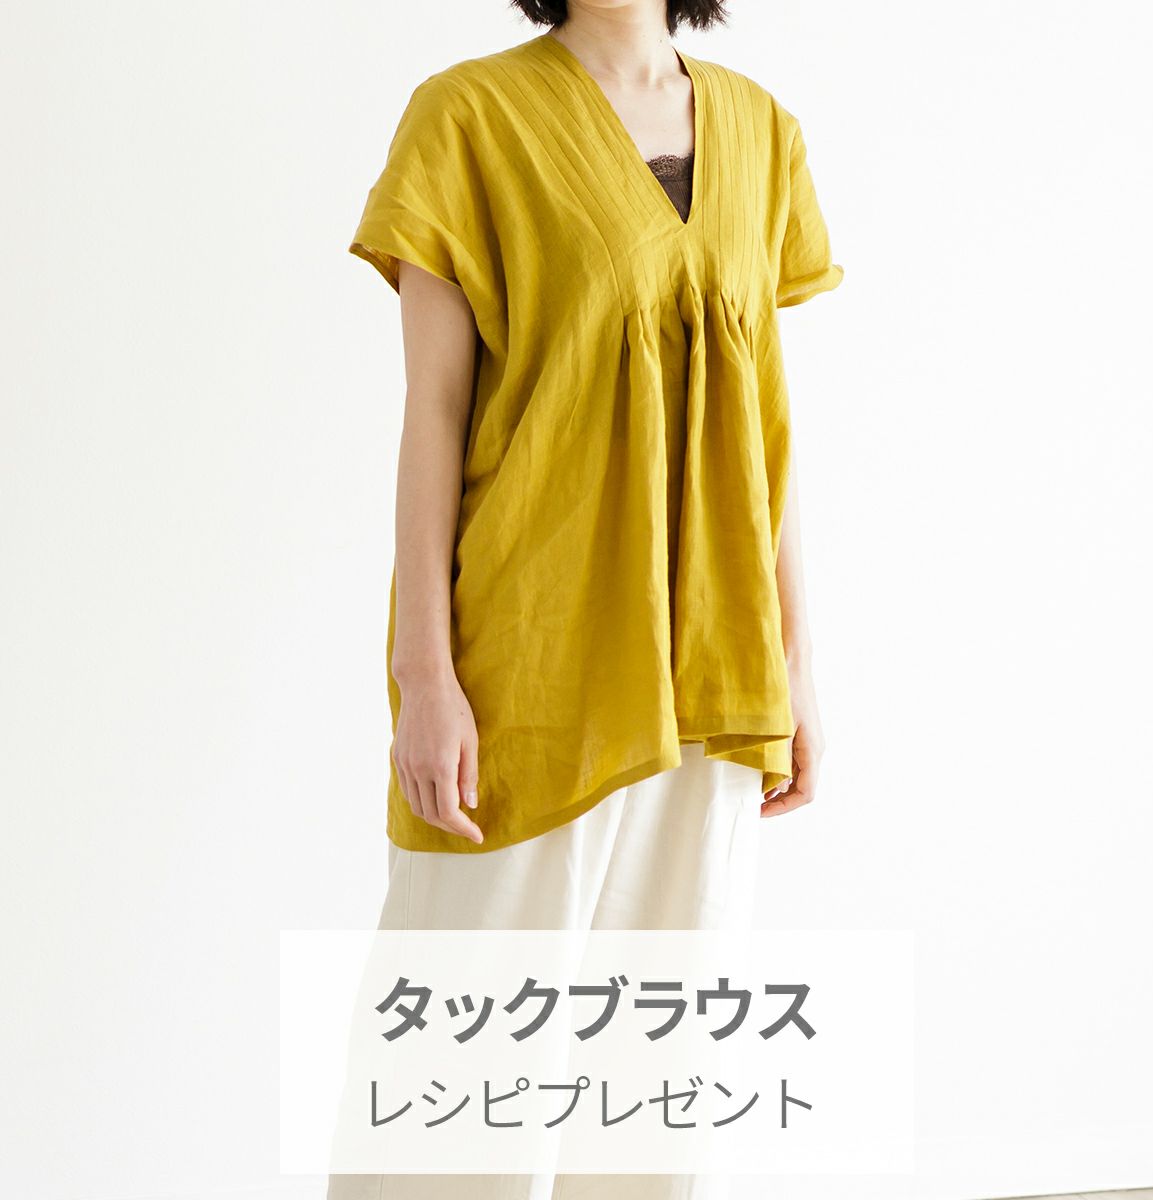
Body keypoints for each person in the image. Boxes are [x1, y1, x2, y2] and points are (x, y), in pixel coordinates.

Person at [329, 1, 843, 1195]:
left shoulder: (762, 130)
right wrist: (423, 675)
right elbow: (432, 414)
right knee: (460, 1094)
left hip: (712, 676)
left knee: (652, 1095)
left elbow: (764, 427)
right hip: (530, 666)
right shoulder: (469, 117)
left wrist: (796, 664)